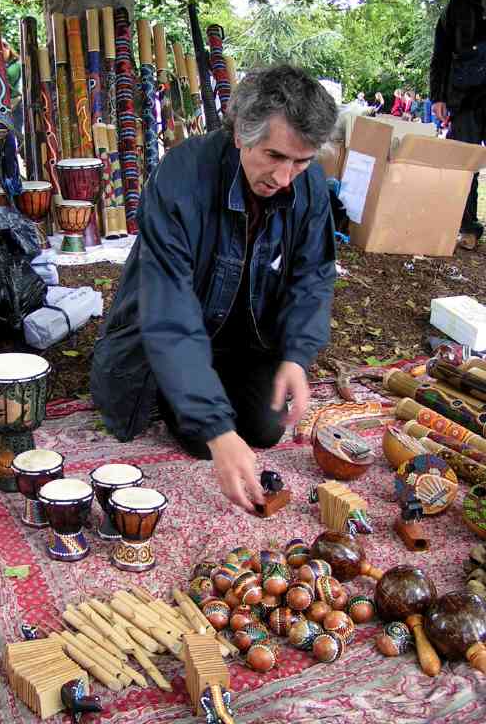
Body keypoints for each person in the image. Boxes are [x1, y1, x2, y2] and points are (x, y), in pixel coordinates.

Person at [90, 64, 338, 513]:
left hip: (246, 336)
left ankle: (202, 389)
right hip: (178, 325)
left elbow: (313, 276)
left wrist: (297, 356)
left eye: (301, 161)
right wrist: (217, 429)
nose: (285, 178)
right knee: (203, 439)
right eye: (275, 156)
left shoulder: (311, 186)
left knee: (264, 430)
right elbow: (169, 309)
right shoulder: (181, 178)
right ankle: (182, 386)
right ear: (241, 133)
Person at [429, 0, 486, 249]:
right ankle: (467, 227)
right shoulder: (459, 2)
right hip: (464, 97)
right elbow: (441, 52)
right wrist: (438, 96)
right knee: (464, 163)